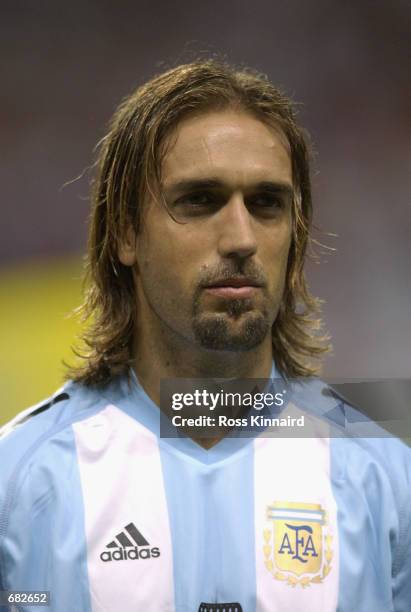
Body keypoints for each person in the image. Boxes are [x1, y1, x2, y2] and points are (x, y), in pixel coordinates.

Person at [0, 60, 410, 612]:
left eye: (266, 204)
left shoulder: (386, 478)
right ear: (125, 231)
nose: (241, 237)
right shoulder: (19, 482)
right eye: (199, 200)